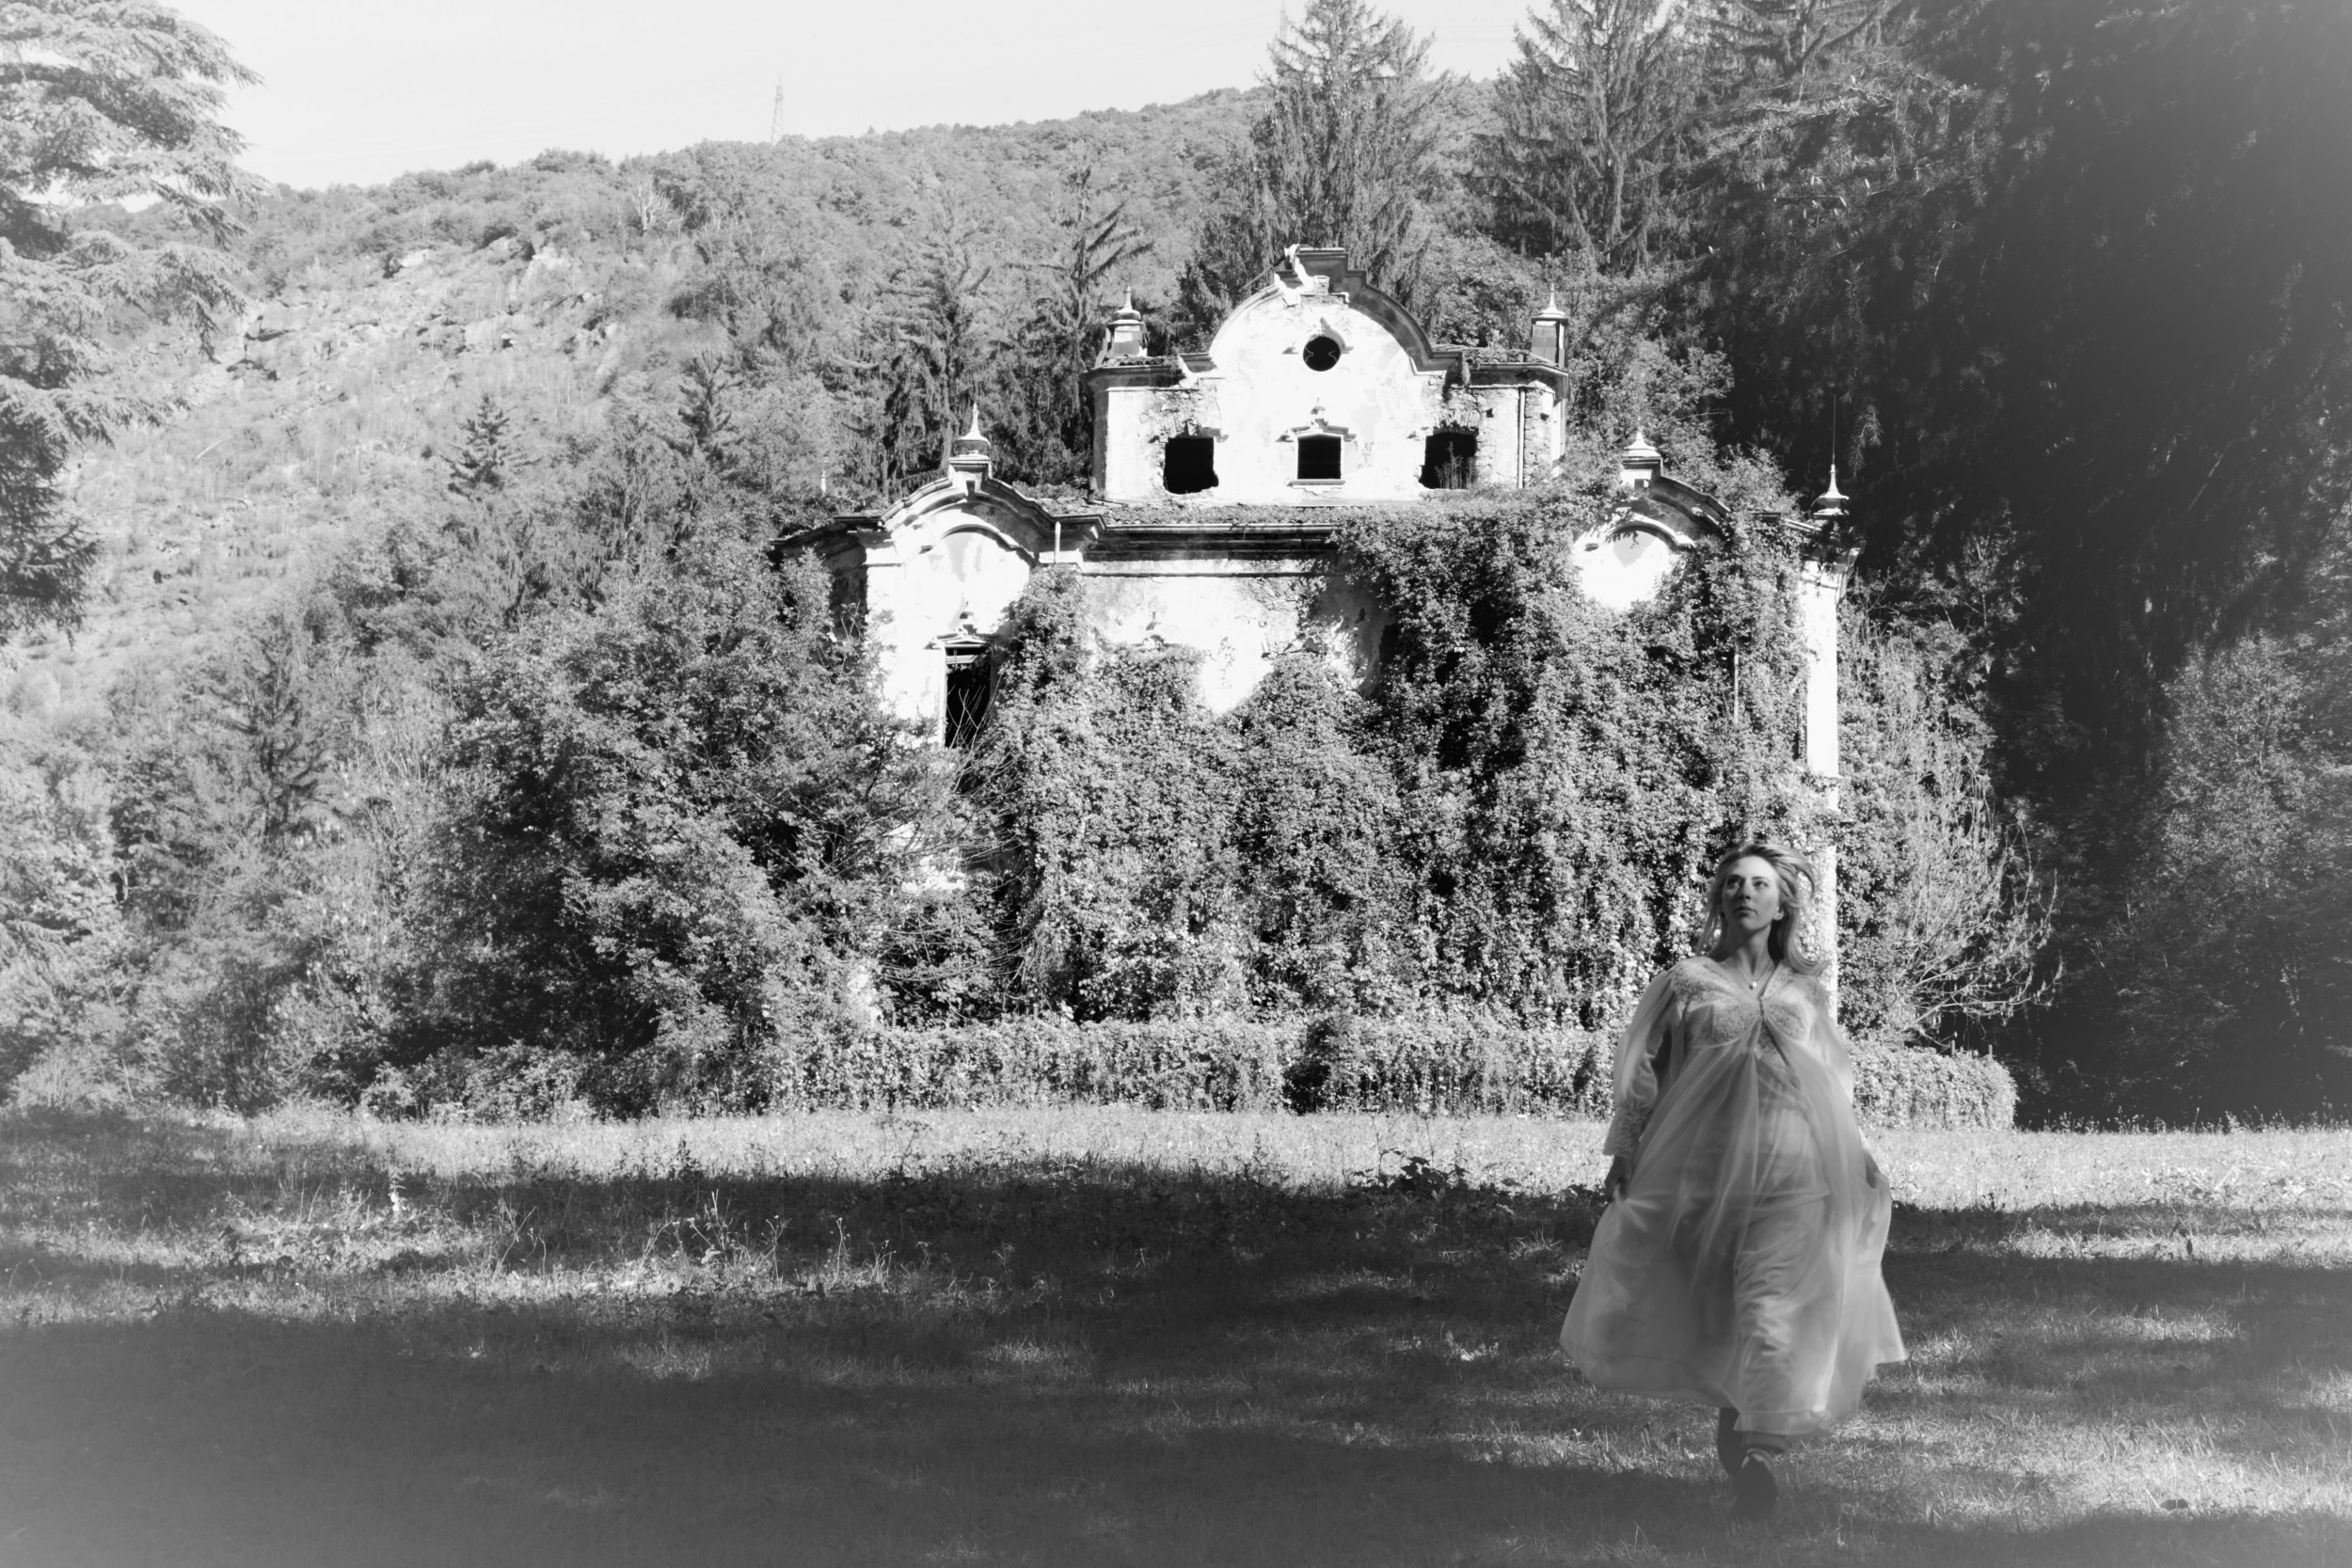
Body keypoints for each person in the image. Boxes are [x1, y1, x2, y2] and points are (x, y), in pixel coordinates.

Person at [1559, 842, 1904, 1522]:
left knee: (1773, 1311)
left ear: (1782, 905)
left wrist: (1857, 1150)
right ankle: (1740, 1439)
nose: (1746, 892)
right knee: (1723, 1317)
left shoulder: (1805, 989)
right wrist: (1624, 1149)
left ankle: (1760, 1456)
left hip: (1794, 1171)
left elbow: (1831, 1077)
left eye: (1760, 884)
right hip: (1702, 1171)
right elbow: (1641, 1067)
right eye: (1734, 883)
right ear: (1720, 899)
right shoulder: (1686, 981)